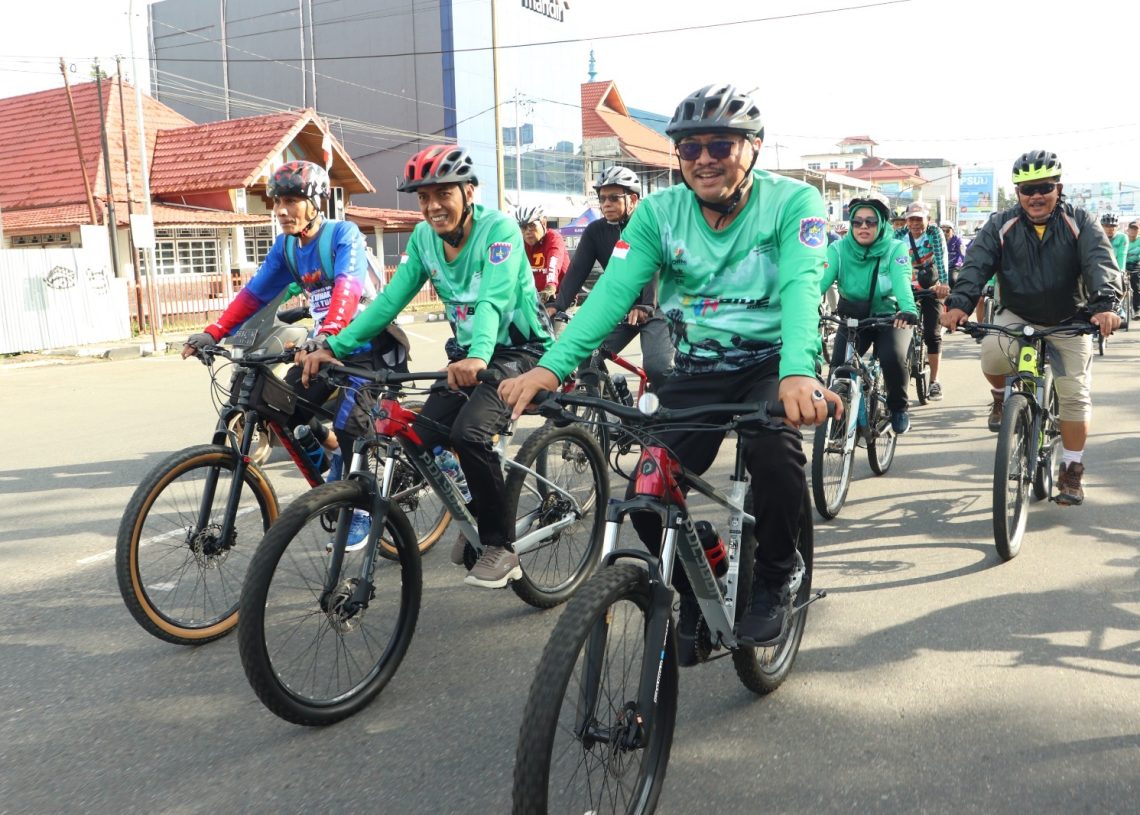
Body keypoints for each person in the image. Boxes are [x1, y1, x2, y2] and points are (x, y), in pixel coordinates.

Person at [499, 83, 837, 655]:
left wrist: (799, 371)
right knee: (647, 492)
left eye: (720, 145)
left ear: (752, 147)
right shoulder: (658, 213)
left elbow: (804, 288)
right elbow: (611, 295)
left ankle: (777, 578)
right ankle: (700, 585)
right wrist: (550, 368)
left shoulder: (794, 203)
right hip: (700, 366)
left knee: (775, 455)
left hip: (772, 363)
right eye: (689, 148)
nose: (703, 157)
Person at [301, 144, 553, 587]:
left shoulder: (499, 231)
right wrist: (335, 347)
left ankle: (499, 545)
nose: (433, 206)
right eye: (423, 197)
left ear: (469, 191)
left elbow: (493, 297)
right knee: (421, 435)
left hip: (518, 351)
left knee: (470, 433)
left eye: (443, 194)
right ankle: (477, 506)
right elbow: (389, 303)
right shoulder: (423, 239)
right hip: (469, 357)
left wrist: (478, 353)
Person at [181, 160, 406, 472]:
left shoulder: (343, 234)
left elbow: (348, 289)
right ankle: (333, 477)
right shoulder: (287, 247)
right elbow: (254, 294)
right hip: (323, 348)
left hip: (368, 347)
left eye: (290, 201)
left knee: (350, 429)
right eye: (277, 202)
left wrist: (327, 334)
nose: (280, 210)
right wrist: (215, 331)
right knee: (282, 407)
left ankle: (359, 510)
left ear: (314, 203)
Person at [941, 149, 1121, 505]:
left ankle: (1071, 469)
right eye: (1026, 189)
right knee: (992, 359)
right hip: (1018, 313)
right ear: (1018, 193)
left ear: (1058, 188)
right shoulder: (1000, 224)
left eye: (1044, 187)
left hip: (1070, 318)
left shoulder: (1080, 221)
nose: (1035, 196)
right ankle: (1000, 400)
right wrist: (959, 304)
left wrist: (1105, 306)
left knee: (1074, 395)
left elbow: (1100, 262)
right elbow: (977, 264)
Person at [545, 165, 674, 390]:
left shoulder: (648, 224)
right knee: (586, 352)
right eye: (602, 198)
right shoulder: (595, 231)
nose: (606, 204)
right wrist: (558, 304)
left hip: (656, 307)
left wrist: (646, 305)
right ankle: (604, 407)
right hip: (620, 307)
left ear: (633, 200)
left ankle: (661, 411)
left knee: (658, 368)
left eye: (614, 198)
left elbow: (654, 267)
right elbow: (577, 271)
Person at [822, 193, 917, 433]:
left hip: (890, 319)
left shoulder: (896, 248)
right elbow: (818, 284)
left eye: (871, 222)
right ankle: (840, 419)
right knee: (838, 369)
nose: (863, 226)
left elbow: (902, 281)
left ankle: (898, 408)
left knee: (892, 358)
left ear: (882, 224)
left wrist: (908, 309)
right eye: (857, 221)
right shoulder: (838, 249)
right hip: (853, 320)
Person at [896, 201, 950, 400]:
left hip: (931, 286)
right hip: (906, 287)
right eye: (912, 219)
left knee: (931, 335)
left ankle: (934, 382)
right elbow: (888, 260)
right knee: (894, 330)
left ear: (928, 220)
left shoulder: (934, 233)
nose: (916, 224)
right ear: (906, 220)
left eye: (920, 219)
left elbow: (941, 256)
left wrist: (943, 284)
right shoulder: (900, 235)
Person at [516, 204, 569, 305]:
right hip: (534, 299)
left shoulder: (553, 238)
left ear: (543, 223)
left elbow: (553, 263)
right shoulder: (520, 243)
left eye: (532, 225)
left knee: (551, 319)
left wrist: (550, 287)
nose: (527, 232)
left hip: (559, 297)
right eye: (523, 227)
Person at [1127, 220, 1140, 317]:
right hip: (1122, 265)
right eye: (1131, 229)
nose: (1133, 231)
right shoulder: (1123, 240)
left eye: (1136, 229)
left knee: (1136, 286)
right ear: (1128, 230)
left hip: (1136, 265)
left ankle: (1137, 310)